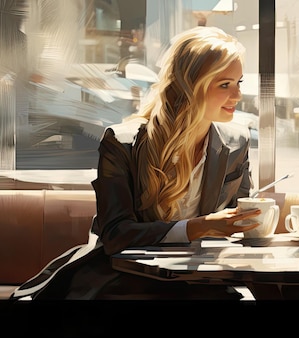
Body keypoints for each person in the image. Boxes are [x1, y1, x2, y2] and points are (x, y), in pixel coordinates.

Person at [11, 26, 262, 300]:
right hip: (126, 278)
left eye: (239, 83)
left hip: (200, 277)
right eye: (224, 84)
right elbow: (117, 233)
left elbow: (238, 220)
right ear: (191, 85)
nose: (237, 95)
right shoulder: (122, 142)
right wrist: (198, 227)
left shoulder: (237, 141)